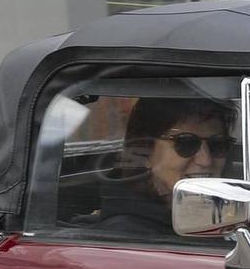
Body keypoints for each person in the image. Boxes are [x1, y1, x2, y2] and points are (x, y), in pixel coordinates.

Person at [94, 97, 234, 234]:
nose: (205, 160)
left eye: (217, 144)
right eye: (186, 143)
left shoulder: (235, 217)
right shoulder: (125, 236)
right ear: (145, 151)